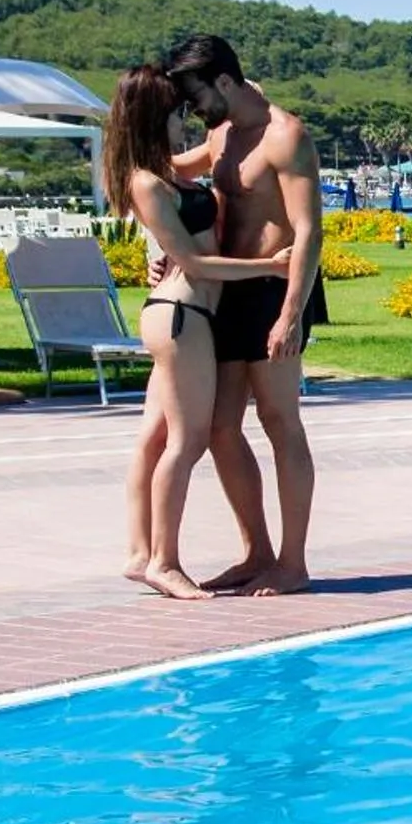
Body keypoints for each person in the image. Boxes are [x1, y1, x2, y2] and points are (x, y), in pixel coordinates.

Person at [103, 64, 293, 601]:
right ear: (151, 118)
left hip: (179, 313)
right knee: (185, 442)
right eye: (174, 113)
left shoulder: (160, 172)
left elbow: (246, 111)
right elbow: (197, 263)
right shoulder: (146, 182)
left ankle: (141, 553)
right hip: (184, 316)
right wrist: (269, 268)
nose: (183, 121)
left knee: (158, 437)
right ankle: (164, 561)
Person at [164, 33, 324, 597]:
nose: (193, 109)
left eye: (196, 96)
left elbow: (309, 231)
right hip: (228, 289)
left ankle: (293, 562)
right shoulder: (222, 132)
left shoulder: (287, 137)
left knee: (281, 423)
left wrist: (290, 314)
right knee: (219, 427)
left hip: (275, 289)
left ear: (225, 82)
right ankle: (256, 550)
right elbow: (172, 173)